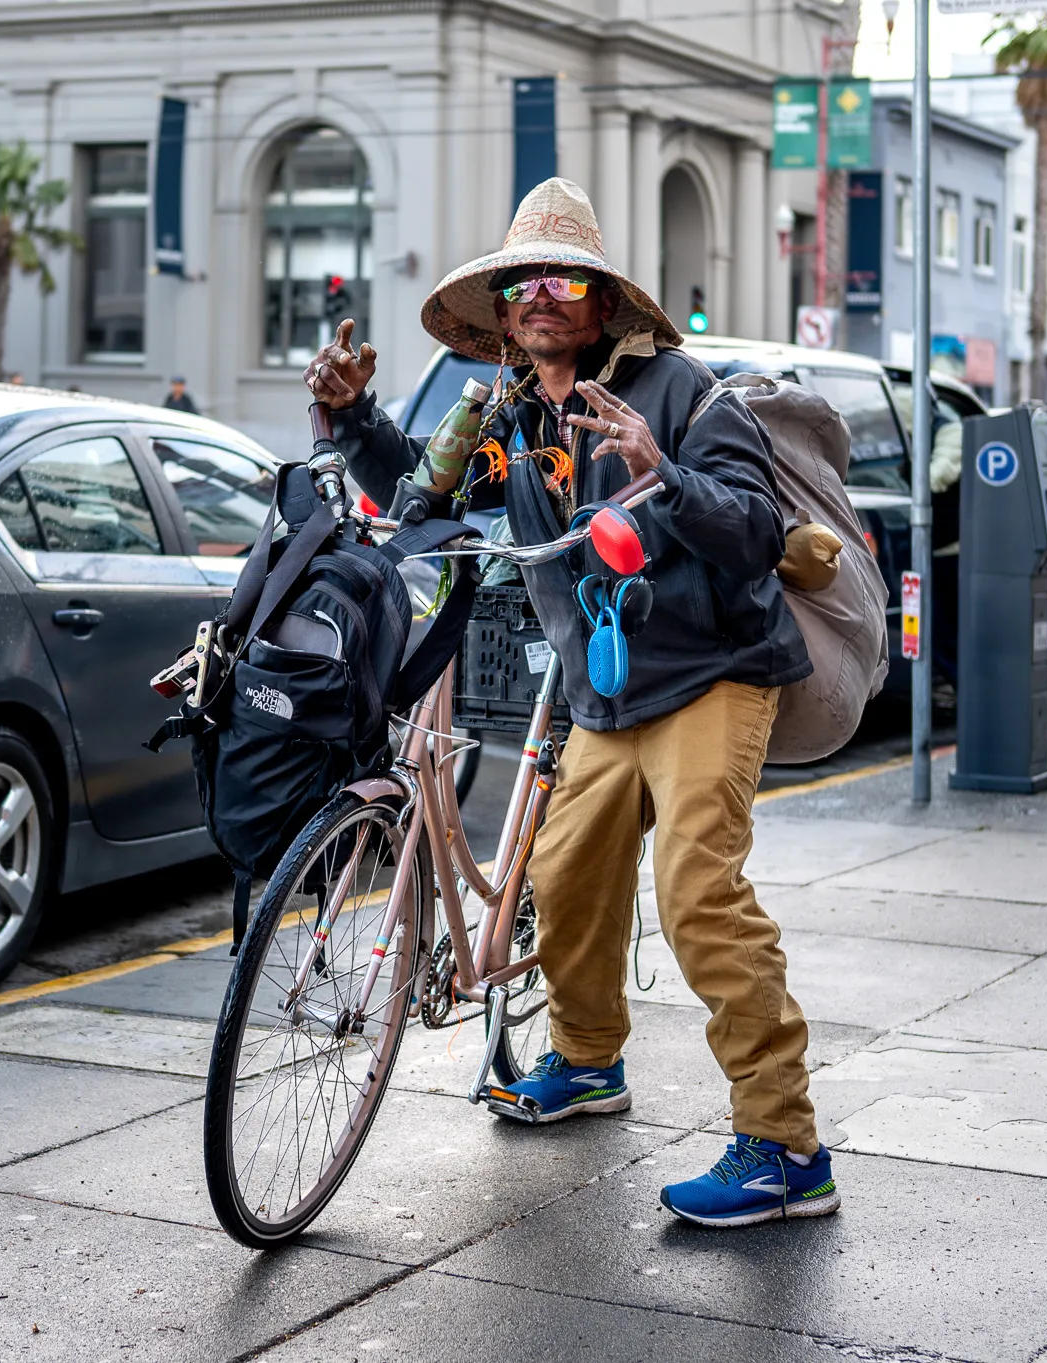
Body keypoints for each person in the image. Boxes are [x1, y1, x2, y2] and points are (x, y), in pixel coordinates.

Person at [308, 178, 834, 1229]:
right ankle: (587, 1061)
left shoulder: (683, 394)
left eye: (564, 278)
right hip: (603, 688)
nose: (541, 297)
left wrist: (661, 474)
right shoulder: (509, 412)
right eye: (521, 283)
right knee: (568, 877)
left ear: (602, 303)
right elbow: (427, 496)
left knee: (696, 892)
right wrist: (351, 416)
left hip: (709, 672)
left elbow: (748, 529)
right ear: (502, 313)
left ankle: (783, 1145)